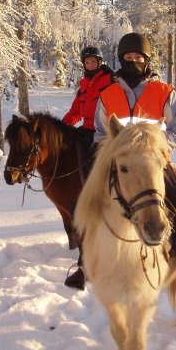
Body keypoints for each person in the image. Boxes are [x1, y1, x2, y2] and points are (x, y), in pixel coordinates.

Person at [93, 32, 176, 296]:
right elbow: (100, 133)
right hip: (121, 163)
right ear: (121, 59)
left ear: (146, 60)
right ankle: (87, 259)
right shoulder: (108, 93)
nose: (133, 61)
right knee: (88, 197)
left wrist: (155, 148)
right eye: (128, 57)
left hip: (156, 162)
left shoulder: (164, 92)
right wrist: (114, 152)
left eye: (138, 57)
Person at [62, 46, 114, 290]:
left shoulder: (109, 80)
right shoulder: (84, 83)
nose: (90, 64)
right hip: (85, 130)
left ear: (100, 62)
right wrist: (63, 128)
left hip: (103, 132)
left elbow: (115, 106)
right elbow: (76, 109)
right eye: (87, 62)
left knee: (95, 165)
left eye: (94, 61)